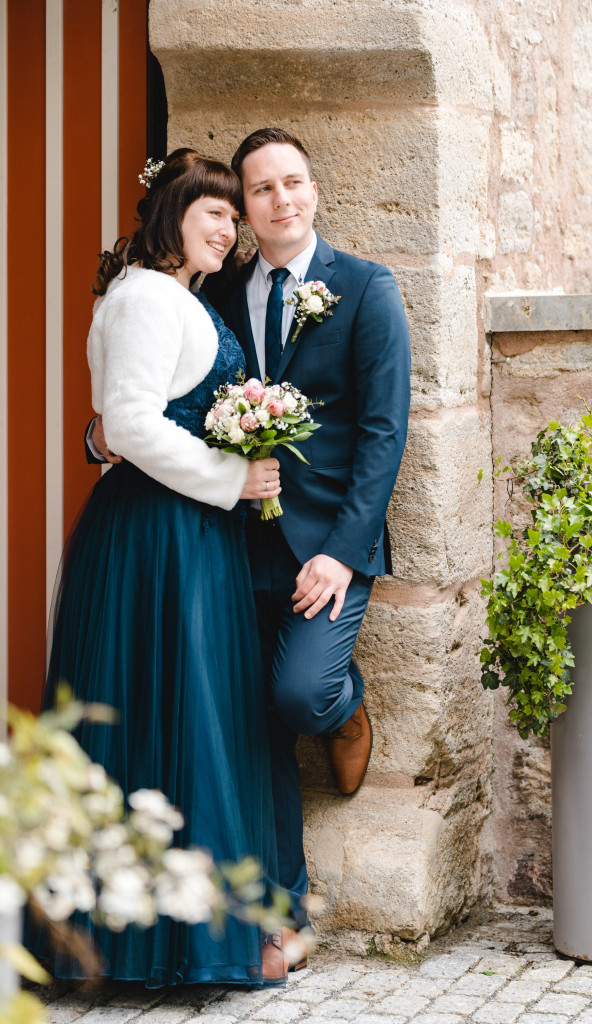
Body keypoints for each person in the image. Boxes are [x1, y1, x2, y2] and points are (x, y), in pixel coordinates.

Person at [93, 128, 412, 955]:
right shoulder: (213, 290)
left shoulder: (366, 289)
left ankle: (345, 709)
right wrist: (103, 439)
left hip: (327, 551)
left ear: (313, 191)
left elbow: (383, 435)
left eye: (292, 183)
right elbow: (155, 399)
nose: (278, 202)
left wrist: (341, 552)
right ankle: (281, 910)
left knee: (297, 697)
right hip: (227, 542)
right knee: (250, 727)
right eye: (258, 191)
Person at [29, 148, 287, 987]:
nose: (229, 227)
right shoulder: (146, 295)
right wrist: (234, 477)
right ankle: (164, 945)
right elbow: (129, 424)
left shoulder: (171, 295)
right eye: (214, 212)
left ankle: (185, 932)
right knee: (167, 717)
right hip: (158, 535)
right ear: (173, 212)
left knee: (186, 713)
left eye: (231, 215)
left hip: (184, 529)